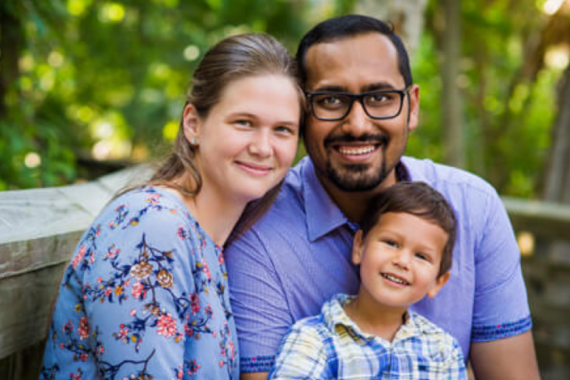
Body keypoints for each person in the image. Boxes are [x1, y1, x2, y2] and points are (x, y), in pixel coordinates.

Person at [225, 14, 541, 380]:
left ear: (412, 106)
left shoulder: (474, 207)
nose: (358, 125)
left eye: (379, 97)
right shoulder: (257, 234)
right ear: (302, 112)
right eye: (330, 99)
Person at [40, 33, 303, 380]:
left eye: (283, 129)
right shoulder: (152, 227)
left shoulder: (208, 240)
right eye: (244, 122)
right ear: (193, 124)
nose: (263, 146)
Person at [269, 182, 467, 379]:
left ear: (438, 282)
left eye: (421, 256)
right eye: (391, 243)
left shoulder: (442, 351)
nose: (402, 261)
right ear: (359, 247)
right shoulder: (314, 340)